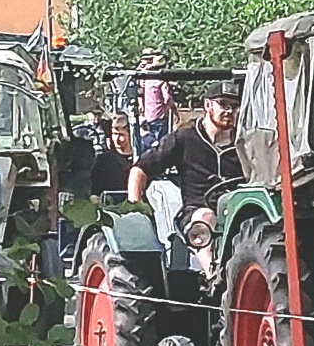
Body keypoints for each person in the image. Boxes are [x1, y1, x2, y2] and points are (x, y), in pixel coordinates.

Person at [128, 80, 242, 276]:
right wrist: (135, 209)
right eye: (223, 104)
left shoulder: (246, 142)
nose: (229, 111)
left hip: (239, 211)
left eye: (234, 106)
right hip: (198, 211)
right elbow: (140, 169)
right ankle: (214, 276)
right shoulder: (184, 138)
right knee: (204, 218)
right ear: (208, 105)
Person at [138, 48, 175, 153]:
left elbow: (140, 88)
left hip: (149, 115)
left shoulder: (146, 80)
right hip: (160, 116)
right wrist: (171, 108)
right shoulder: (162, 82)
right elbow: (167, 98)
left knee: (150, 140)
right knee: (160, 143)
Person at [91, 113, 134, 197]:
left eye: (121, 135)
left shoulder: (141, 159)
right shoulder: (104, 160)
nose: (117, 140)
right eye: (114, 134)